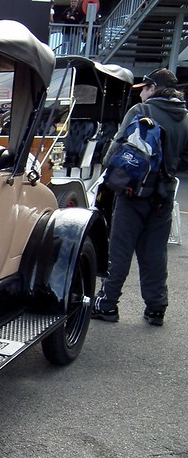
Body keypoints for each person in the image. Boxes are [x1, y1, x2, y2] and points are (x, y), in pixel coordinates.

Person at [92, 68, 188, 326]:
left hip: (134, 192)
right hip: (164, 195)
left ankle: (108, 304)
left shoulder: (140, 112)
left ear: (153, 88)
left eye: (144, 88)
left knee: (120, 249)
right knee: (155, 252)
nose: (142, 94)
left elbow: (115, 152)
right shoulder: (184, 117)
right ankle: (156, 309)